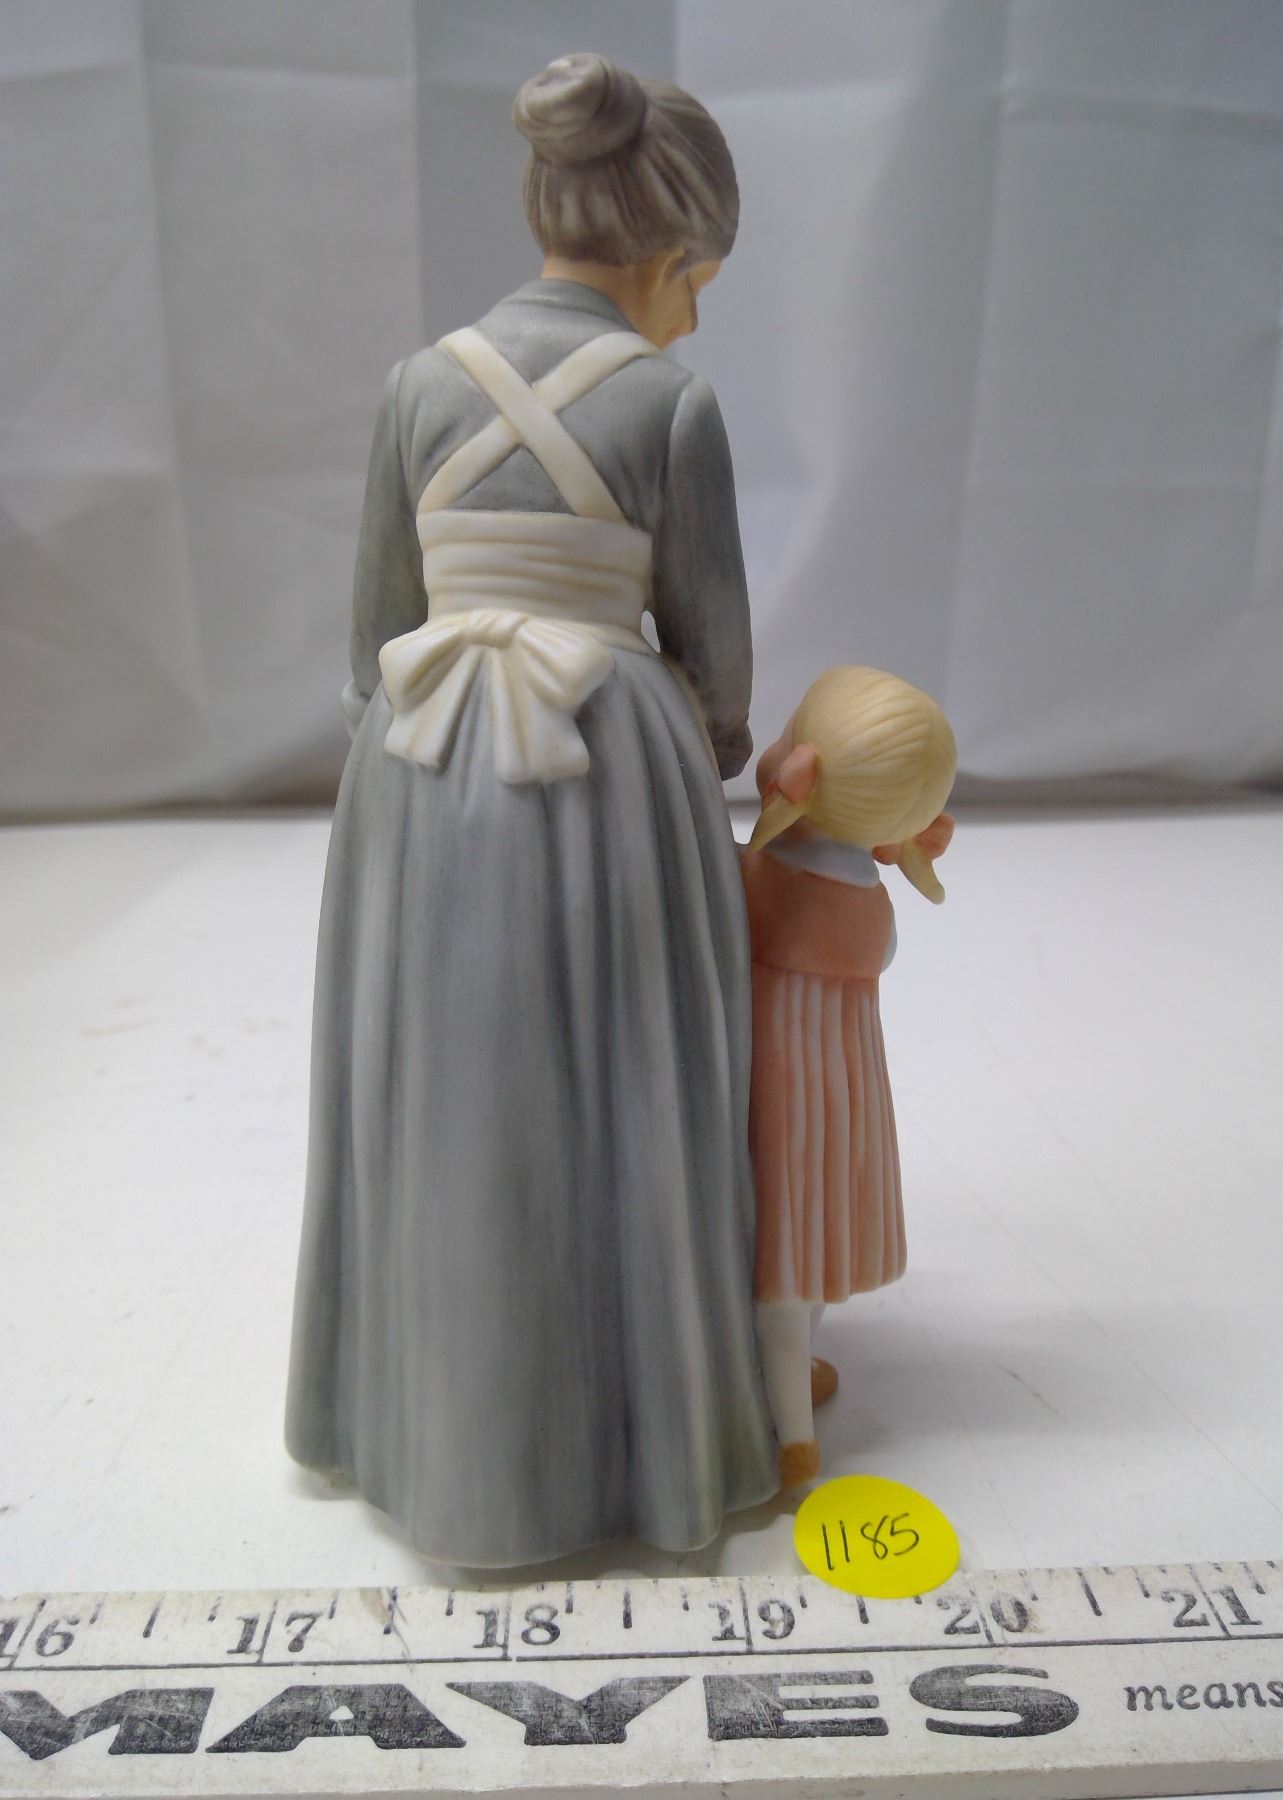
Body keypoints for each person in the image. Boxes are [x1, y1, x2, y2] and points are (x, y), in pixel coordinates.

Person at [285, 54, 778, 1564]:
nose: (697, 311)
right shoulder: (672, 404)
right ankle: (632, 1427)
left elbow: (372, 636)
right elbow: (715, 657)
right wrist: (692, 770)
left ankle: (407, 1416)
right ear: (670, 251)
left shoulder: (416, 386)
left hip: (420, 752)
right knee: (623, 1088)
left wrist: (409, 781)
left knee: (430, 1085)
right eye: (702, 278)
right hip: (605, 756)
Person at [740, 667, 956, 1483]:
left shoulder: (762, 877)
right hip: (846, 1088)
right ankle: (795, 1381)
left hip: (778, 1088)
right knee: (819, 1244)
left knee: (781, 1255)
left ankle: (791, 1435)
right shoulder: (872, 901)